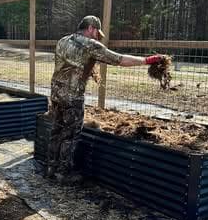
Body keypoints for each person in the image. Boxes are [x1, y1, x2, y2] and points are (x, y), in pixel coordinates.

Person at [46, 15, 164, 183]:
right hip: (73, 96)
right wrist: (147, 60)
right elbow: (119, 59)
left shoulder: (63, 40)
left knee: (56, 131)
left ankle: (51, 168)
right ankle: (63, 173)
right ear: (91, 29)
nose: (97, 36)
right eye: (96, 32)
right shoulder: (91, 45)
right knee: (70, 135)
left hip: (56, 93)